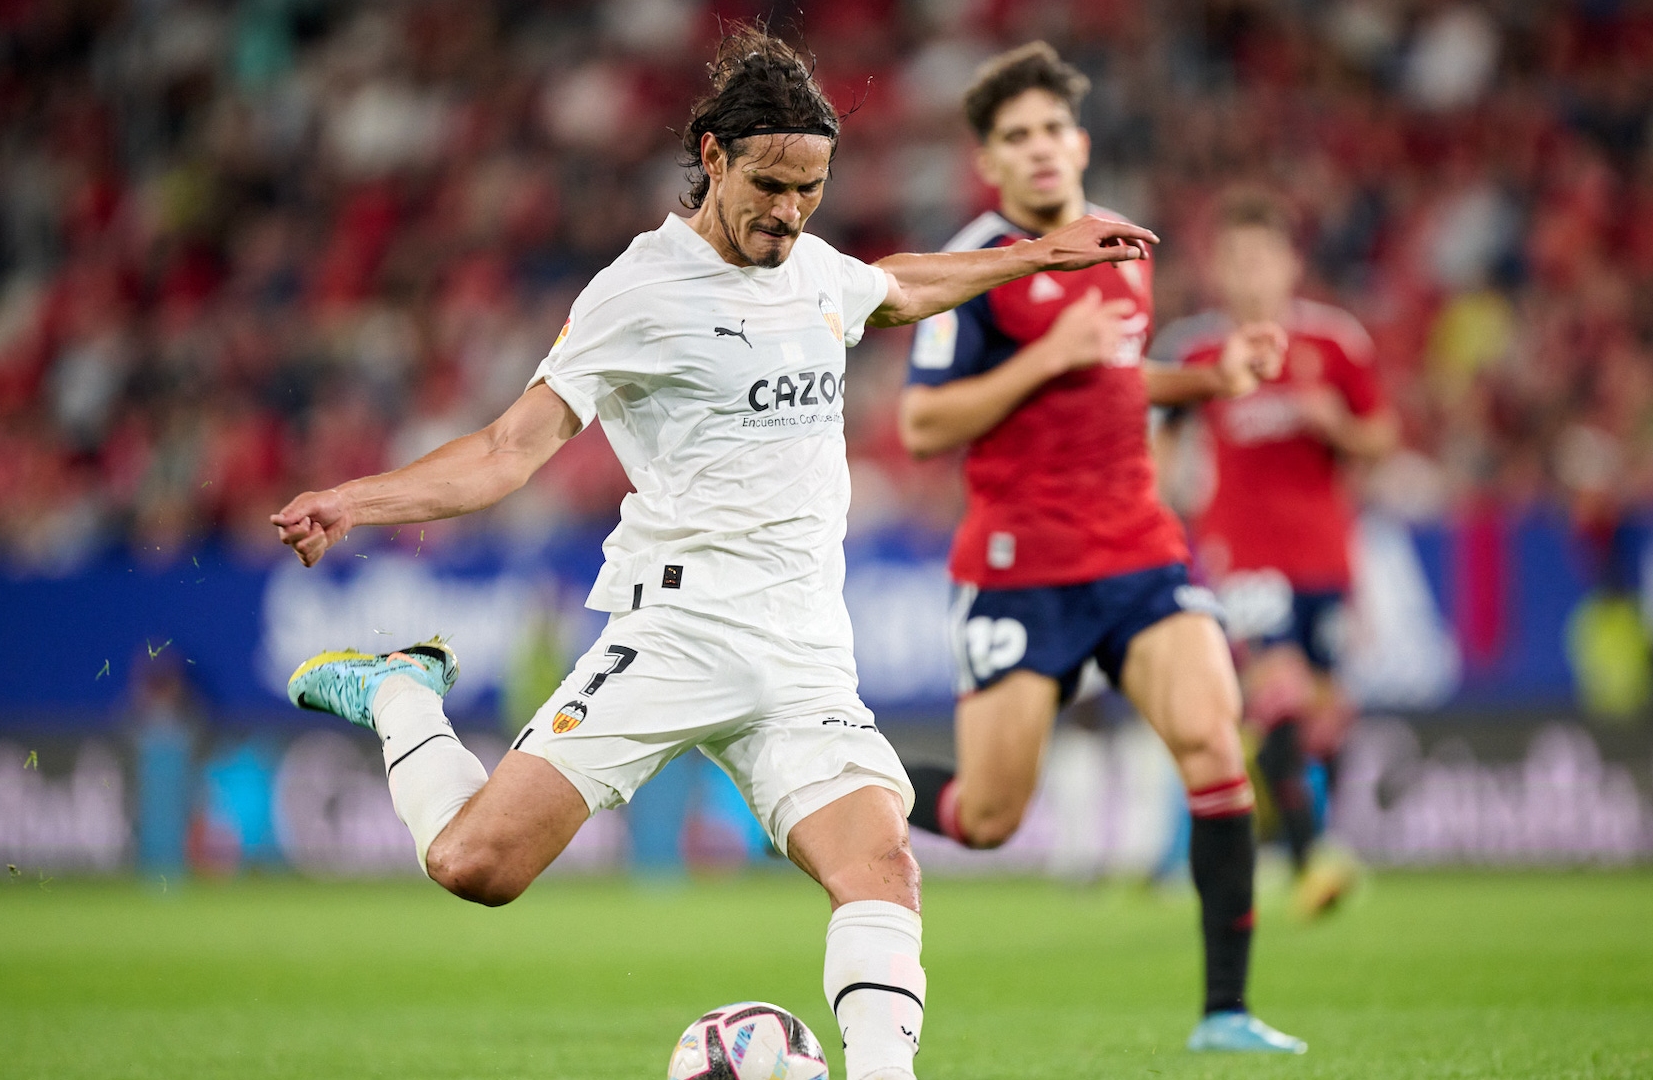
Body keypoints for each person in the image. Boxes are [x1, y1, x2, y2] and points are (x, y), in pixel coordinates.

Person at [268, 28, 1158, 1080]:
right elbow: (510, 451)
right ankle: (403, 695)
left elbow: (894, 285)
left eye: (812, 188)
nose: (789, 212)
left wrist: (1037, 254)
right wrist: (353, 502)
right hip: (680, 629)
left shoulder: (812, 268)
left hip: (804, 648)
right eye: (771, 185)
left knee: (879, 866)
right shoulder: (637, 294)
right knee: (475, 865)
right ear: (712, 156)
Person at [894, 42, 1304, 1054]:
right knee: (989, 816)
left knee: (1215, 745)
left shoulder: (1124, 247)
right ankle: (816, 788)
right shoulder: (976, 268)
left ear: (1078, 143)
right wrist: (1045, 353)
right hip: (1019, 570)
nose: (1039, 150)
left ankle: (1226, 1014)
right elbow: (923, 426)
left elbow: (1118, 374)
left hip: (1141, 554)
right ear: (989, 164)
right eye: (1015, 137)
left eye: (1050, 131)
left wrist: (1208, 383)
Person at [1150, 188, 1399, 917]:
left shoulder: (1335, 343)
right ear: (1217, 270)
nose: (1249, 272)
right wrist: (1162, 512)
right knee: (1281, 694)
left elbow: (1381, 437)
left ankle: (1273, 830)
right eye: (1234, 259)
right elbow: (1162, 438)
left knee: (1325, 714)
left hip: (1326, 554)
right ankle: (1311, 860)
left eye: (1261, 256)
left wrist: (1338, 428)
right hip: (1241, 553)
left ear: (1291, 263)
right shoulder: (1197, 349)